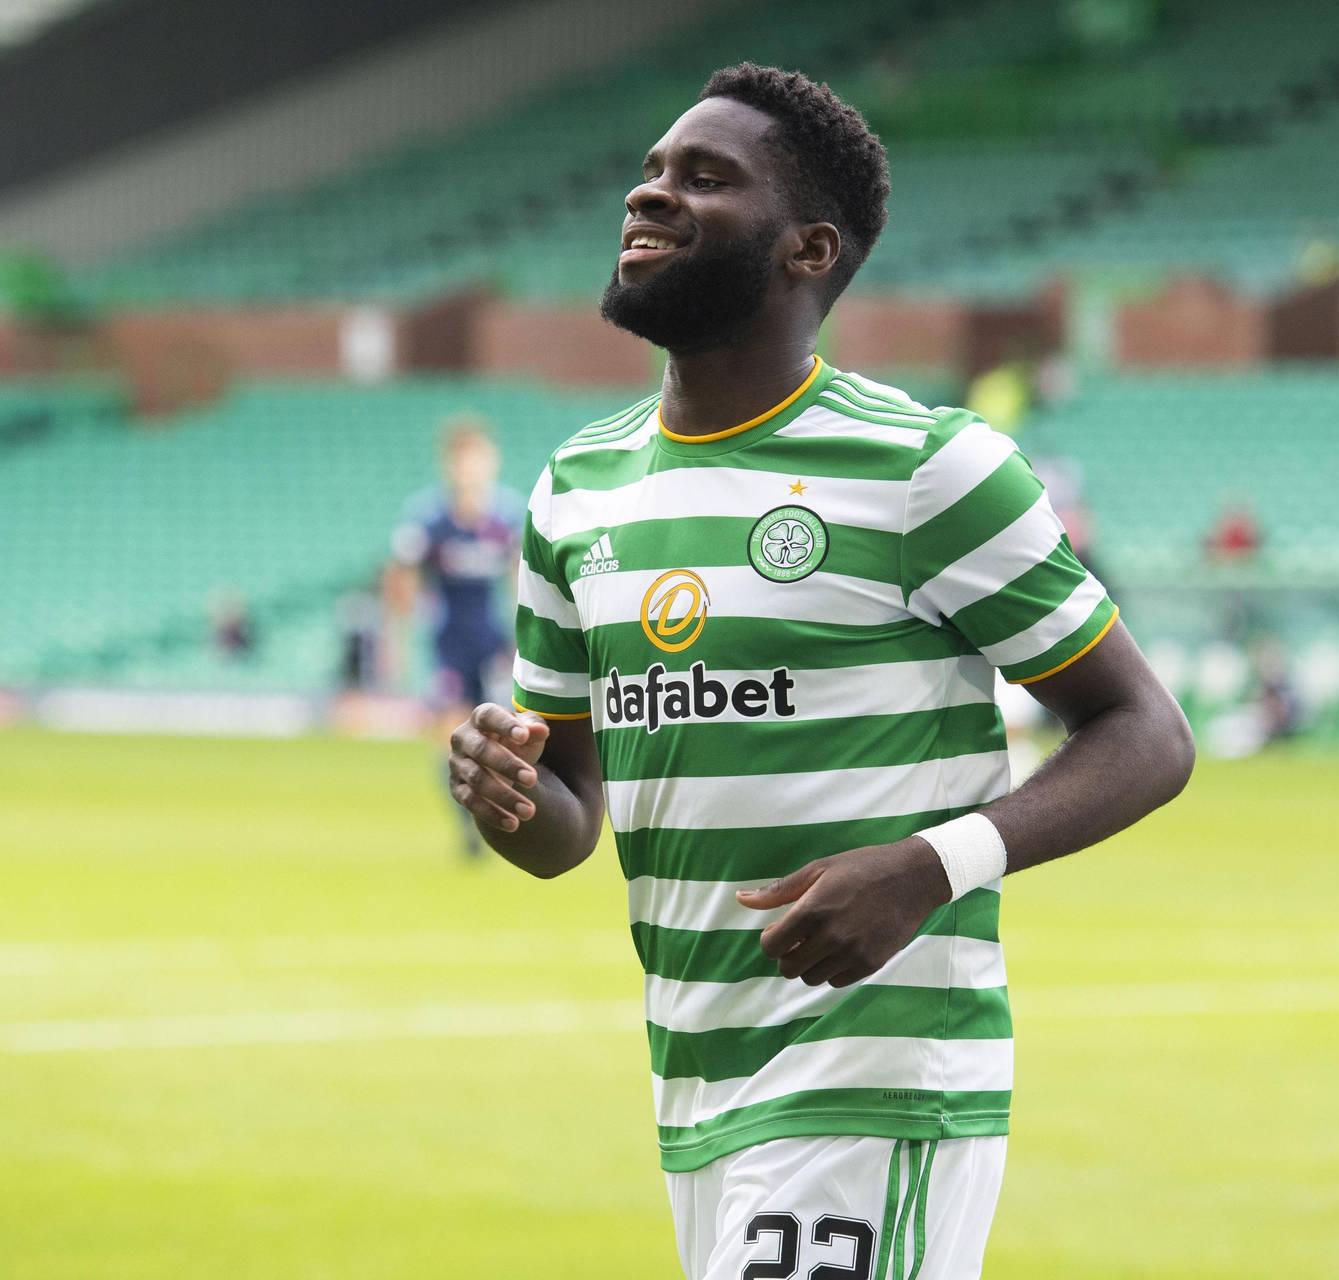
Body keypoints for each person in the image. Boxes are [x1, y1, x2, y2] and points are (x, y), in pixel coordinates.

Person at [446, 65, 1194, 1279]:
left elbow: (1146, 733)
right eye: (651, 169)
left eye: (705, 177)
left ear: (810, 249)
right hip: (696, 1070)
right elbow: (565, 817)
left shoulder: (930, 468)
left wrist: (926, 867)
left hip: (876, 1069)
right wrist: (506, 792)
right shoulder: (574, 491)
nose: (652, 192)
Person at [386, 418, 521, 844]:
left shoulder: (508, 517)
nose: (470, 469)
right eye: (461, 460)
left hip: (491, 641)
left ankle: (488, 817)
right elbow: (402, 578)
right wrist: (399, 639)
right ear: (448, 465)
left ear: (491, 462)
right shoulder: (428, 519)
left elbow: (521, 581)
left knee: (497, 739)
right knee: (449, 736)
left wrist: (524, 640)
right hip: (446, 642)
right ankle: (466, 824)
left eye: (477, 459)